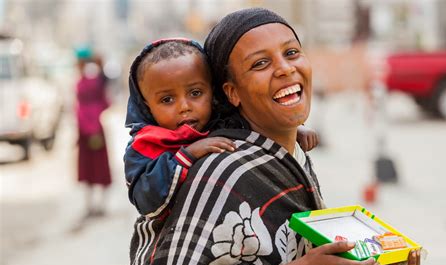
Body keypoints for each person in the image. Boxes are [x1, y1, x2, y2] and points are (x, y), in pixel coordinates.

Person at [118, 8, 420, 265]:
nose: (285, 69)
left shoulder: (290, 152)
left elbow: (287, 256)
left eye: (291, 52)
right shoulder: (222, 169)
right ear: (231, 92)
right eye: (260, 63)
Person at [124, 38, 318, 217]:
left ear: (213, 92)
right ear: (147, 105)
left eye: (195, 93)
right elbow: (145, 198)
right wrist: (187, 156)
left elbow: (253, 127)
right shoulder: (144, 146)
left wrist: (289, 131)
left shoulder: (221, 121)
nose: (184, 107)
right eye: (167, 99)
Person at [75, 47, 112, 218]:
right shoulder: (95, 80)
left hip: (88, 131)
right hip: (94, 130)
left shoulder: (83, 82)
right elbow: (106, 103)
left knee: (90, 169)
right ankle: (96, 205)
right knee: (97, 169)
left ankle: (93, 205)